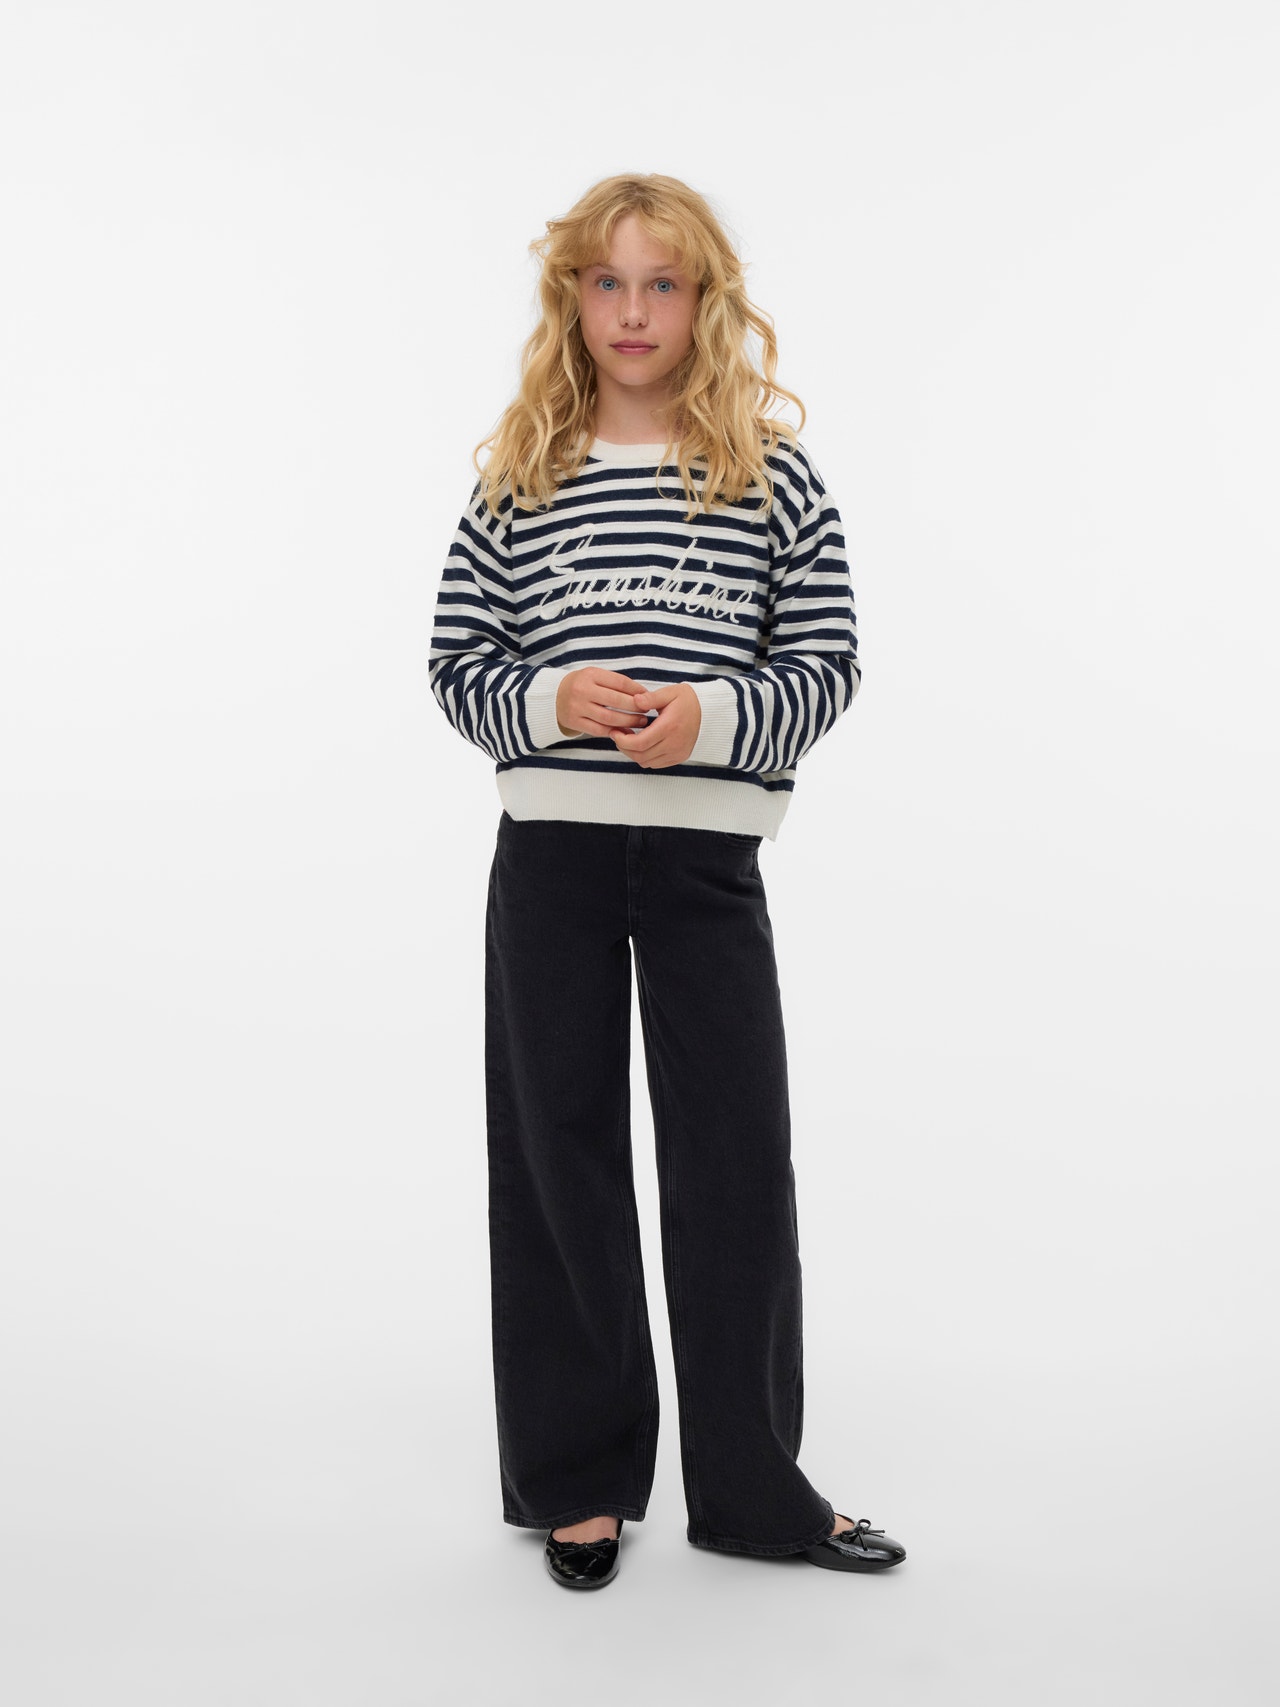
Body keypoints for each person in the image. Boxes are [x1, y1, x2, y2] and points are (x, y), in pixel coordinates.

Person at [428, 172, 906, 1591]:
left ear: (705, 303)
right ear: (570, 300)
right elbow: (456, 664)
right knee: (557, 1155)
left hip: (706, 863)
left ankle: (754, 1491)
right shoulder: (522, 474)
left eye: (664, 284)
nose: (633, 312)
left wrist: (708, 718)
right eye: (606, 282)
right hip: (553, 857)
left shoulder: (770, 476)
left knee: (735, 1160)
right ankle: (577, 1484)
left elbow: (825, 664)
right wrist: (553, 699)